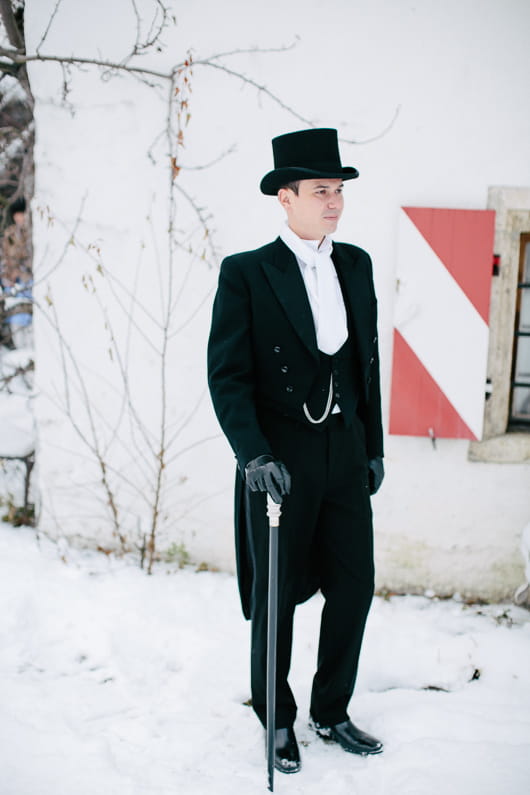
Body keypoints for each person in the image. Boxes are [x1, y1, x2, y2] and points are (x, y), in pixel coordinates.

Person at [207, 128, 384, 774]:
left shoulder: (356, 263)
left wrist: (372, 444)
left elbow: (367, 364)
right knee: (275, 596)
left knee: (356, 584)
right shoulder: (248, 273)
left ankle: (330, 708)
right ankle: (276, 717)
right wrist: (252, 455)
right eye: (320, 191)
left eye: (338, 190)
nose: (334, 202)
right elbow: (227, 376)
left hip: (343, 449)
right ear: (286, 197)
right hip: (279, 460)